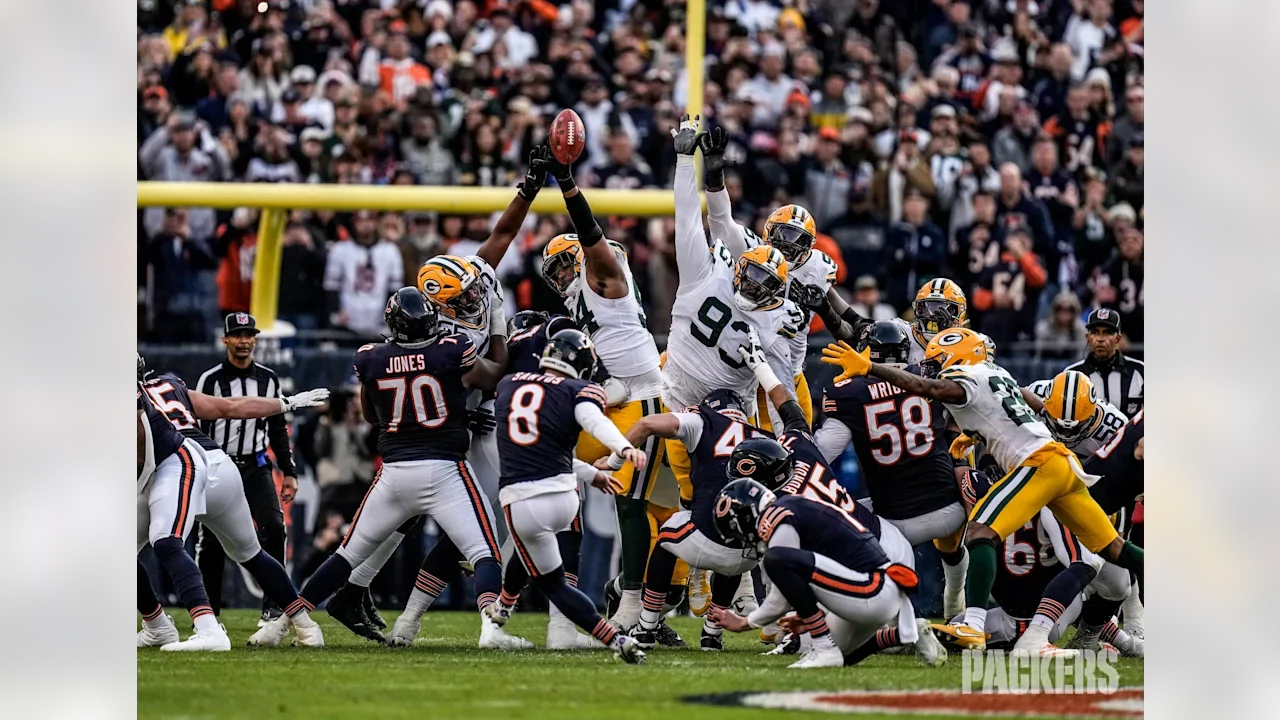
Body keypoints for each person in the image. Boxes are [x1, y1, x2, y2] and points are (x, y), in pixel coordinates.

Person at [820, 327, 1144, 651]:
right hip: (1061, 462)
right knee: (1113, 548)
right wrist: (979, 434)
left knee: (980, 531)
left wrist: (871, 369)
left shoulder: (968, 378)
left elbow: (925, 386)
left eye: (939, 360)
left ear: (959, 358)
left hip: (1038, 463)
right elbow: (1028, 403)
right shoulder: (995, 371)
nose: (932, 366)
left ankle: (973, 624)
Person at [356, 147, 552, 644]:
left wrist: (527, 188)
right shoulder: (441, 334)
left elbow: (502, 234)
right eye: (460, 299)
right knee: (482, 525)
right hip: (458, 422)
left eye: (470, 290)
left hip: (479, 413)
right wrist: (503, 332)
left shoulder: (476, 280)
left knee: (461, 525)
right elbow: (488, 372)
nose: (472, 298)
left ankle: (393, 610)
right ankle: (392, 605)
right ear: (437, 308)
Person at [284, 288, 522, 651]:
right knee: (484, 553)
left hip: (394, 473)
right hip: (445, 470)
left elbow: (370, 415)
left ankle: (285, 621)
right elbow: (494, 374)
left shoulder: (371, 358)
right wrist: (496, 325)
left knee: (346, 555)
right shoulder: (451, 350)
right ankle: (492, 627)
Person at [537, 156, 671, 639]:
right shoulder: (578, 300)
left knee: (633, 503)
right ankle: (524, 573)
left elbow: (591, 234)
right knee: (546, 465)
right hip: (615, 402)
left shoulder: (603, 278)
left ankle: (633, 601)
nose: (556, 277)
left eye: (560, 264)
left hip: (645, 398)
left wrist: (567, 184)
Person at [138, 356, 329, 648]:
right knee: (251, 553)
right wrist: (286, 403)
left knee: (165, 540)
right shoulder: (170, 385)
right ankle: (306, 625)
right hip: (218, 464)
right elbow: (231, 407)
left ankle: (191, 628)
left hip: (175, 467)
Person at [485, 329, 648, 664]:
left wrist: (622, 448)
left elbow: (543, 443)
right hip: (564, 497)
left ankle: (506, 602)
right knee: (541, 558)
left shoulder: (509, 385)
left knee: (550, 577)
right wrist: (610, 458)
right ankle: (506, 606)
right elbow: (592, 421)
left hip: (523, 500)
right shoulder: (578, 389)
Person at [811, 321, 970, 619]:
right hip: (950, 510)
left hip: (894, 521)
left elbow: (824, 451)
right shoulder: (928, 376)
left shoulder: (849, 391)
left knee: (829, 523)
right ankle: (956, 602)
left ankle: (881, 618)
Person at [599, 389, 767, 652]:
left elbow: (646, 423)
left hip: (704, 540)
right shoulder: (763, 438)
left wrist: (614, 460)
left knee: (667, 536)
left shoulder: (703, 420)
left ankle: (646, 625)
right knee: (737, 545)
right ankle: (712, 633)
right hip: (749, 554)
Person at [706, 480, 927, 669]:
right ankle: (904, 635)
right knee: (843, 657)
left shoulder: (777, 516)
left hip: (872, 589)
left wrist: (745, 623)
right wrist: (812, 613)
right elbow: (828, 574)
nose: (745, 540)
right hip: (874, 591)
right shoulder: (794, 506)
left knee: (777, 560)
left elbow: (781, 596)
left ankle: (823, 647)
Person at [192, 313, 300, 624]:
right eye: (237, 335)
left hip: (255, 464)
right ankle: (209, 614)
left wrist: (289, 471)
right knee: (211, 540)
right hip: (218, 465)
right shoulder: (210, 380)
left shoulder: (269, 378)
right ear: (225, 339)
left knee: (274, 529)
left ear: (255, 339)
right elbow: (199, 426)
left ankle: (274, 606)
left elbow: (278, 428)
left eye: (249, 335)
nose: (244, 341)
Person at [137, 377, 224, 651]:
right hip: (145, 474)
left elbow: (143, 455)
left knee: (166, 540)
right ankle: (157, 627)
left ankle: (210, 631)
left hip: (172, 462)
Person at [1027, 370, 1129, 457]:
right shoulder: (1034, 393)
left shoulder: (1115, 427)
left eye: (1075, 428)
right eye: (1059, 427)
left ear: (1093, 413)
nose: (1066, 434)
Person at [1064, 308, 1145, 416]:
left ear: (1118, 339)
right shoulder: (1072, 375)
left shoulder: (1140, 371)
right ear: (1087, 338)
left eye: (1107, 333)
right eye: (1095, 332)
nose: (1100, 339)